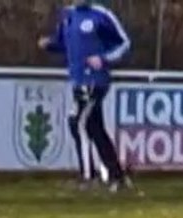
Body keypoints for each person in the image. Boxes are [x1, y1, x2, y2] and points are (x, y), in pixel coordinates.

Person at [40, 1, 131, 191]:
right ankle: (116, 176)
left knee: (77, 122)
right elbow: (63, 43)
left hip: (95, 80)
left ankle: (88, 176)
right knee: (95, 128)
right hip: (77, 79)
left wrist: (104, 58)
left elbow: (124, 42)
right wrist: (49, 44)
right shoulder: (68, 16)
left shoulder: (100, 15)